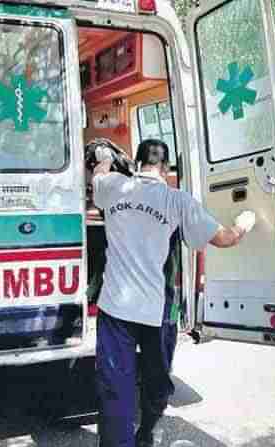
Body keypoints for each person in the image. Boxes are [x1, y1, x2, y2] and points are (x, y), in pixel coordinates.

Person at [92, 138, 256, 447]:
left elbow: (97, 176)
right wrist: (243, 224)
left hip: (115, 307)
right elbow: (223, 239)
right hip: (155, 310)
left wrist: (105, 159)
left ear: (138, 164)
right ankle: (148, 431)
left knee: (116, 387)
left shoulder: (112, 186)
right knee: (157, 381)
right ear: (166, 169)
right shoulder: (176, 200)